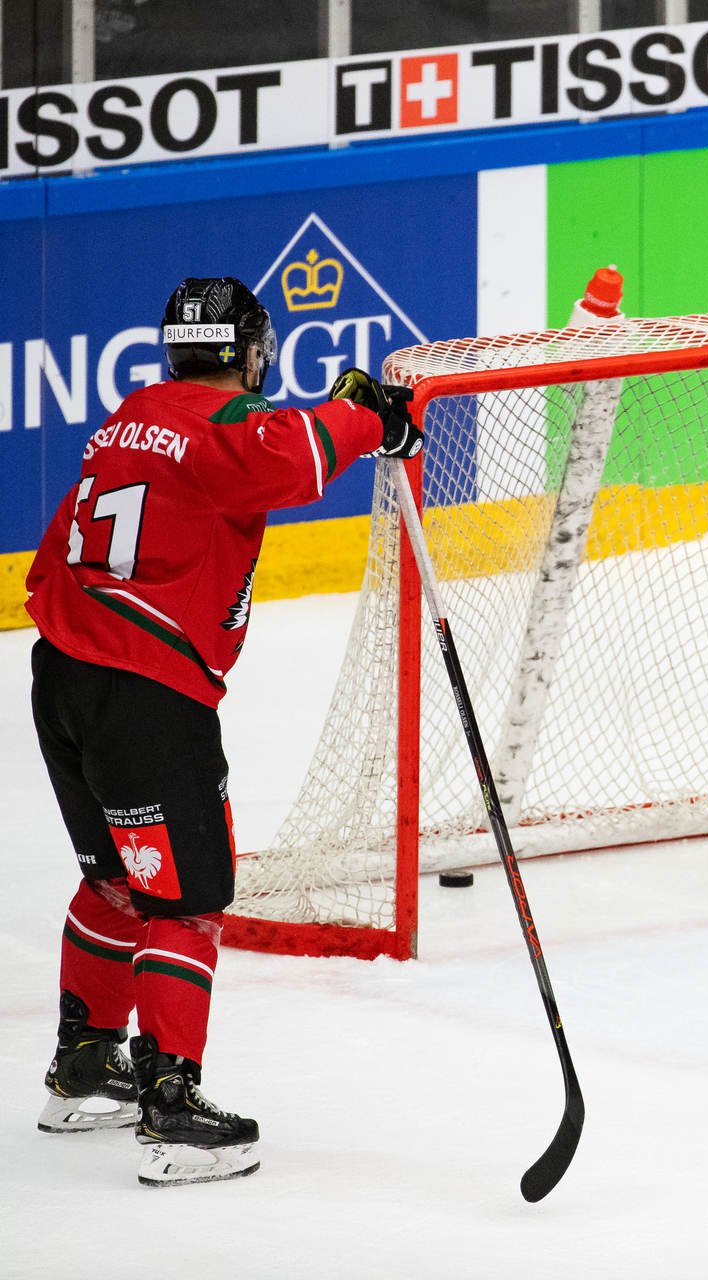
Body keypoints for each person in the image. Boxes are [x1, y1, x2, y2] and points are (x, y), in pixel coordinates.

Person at [28, 277, 420, 1185]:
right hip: (144, 699)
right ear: (248, 351)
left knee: (118, 882)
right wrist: (370, 418)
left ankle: (84, 1067)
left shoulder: (130, 415)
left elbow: (50, 563)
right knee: (187, 902)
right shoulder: (226, 425)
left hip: (62, 678)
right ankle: (172, 1106)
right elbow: (285, 455)